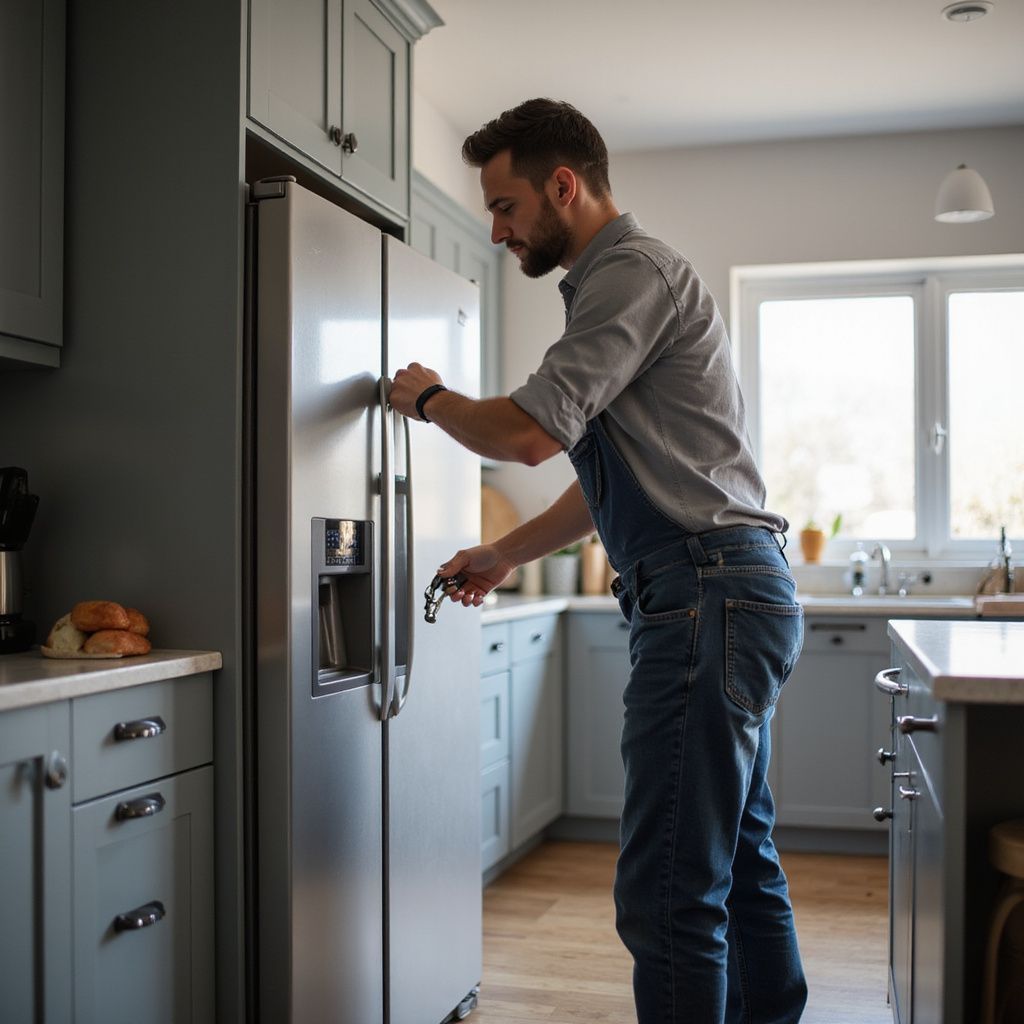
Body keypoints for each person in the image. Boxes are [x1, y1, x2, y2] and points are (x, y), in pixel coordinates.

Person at [388, 98, 807, 1024]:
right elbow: (604, 485)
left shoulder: (630, 275)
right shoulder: (623, 286)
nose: (495, 230)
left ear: (563, 186)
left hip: (705, 593)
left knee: (666, 891)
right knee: (736, 863)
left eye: (504, 207)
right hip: (726, 588)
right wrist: (504, 550)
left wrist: (428, 399)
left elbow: (529, 435)